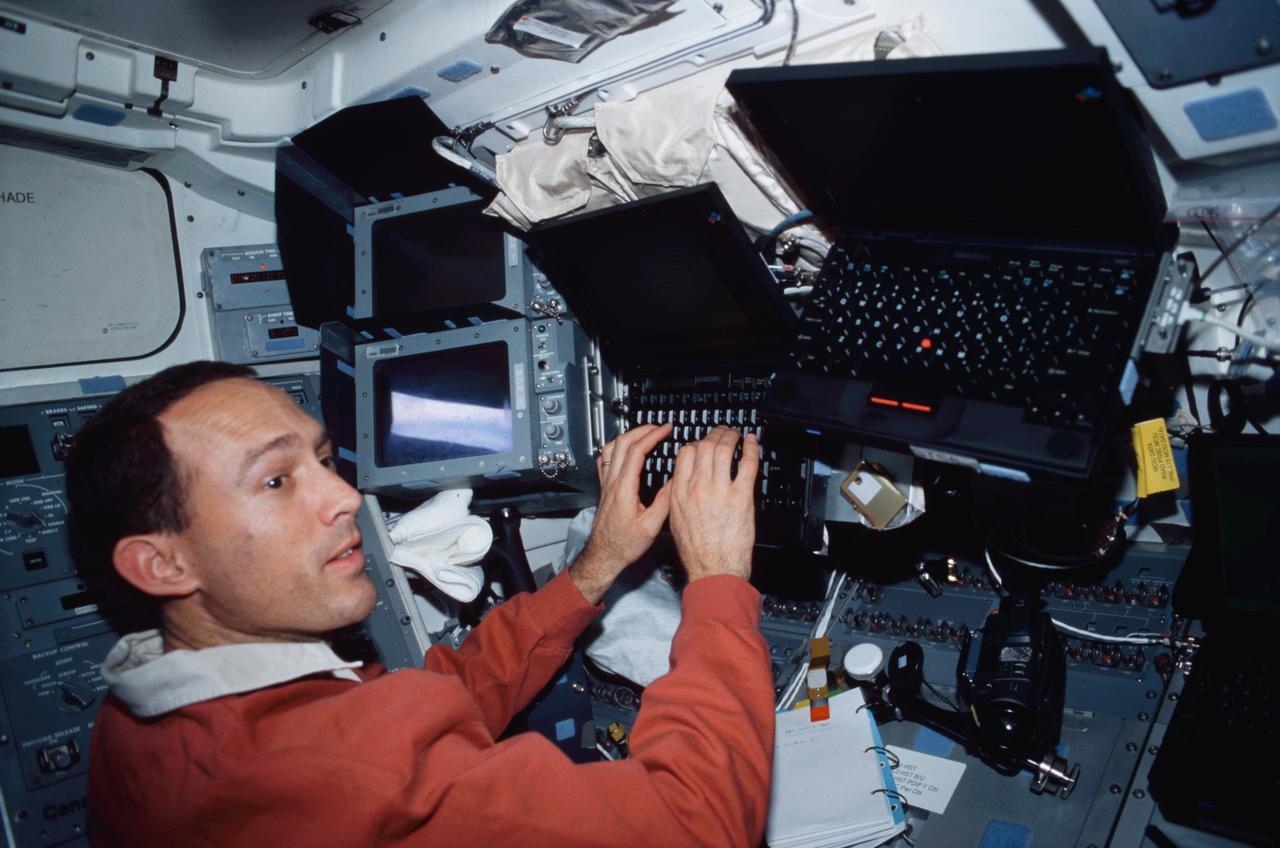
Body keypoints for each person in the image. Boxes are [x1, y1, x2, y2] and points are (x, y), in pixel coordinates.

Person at [66, 361, 774, 847]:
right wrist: (714, 576)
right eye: (277, 481)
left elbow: (435, 699)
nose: (344, 498)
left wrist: (598, 566)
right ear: (162, 563)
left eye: (323, 460)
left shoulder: (136, 721)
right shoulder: (340, 769)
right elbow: (700, 825)